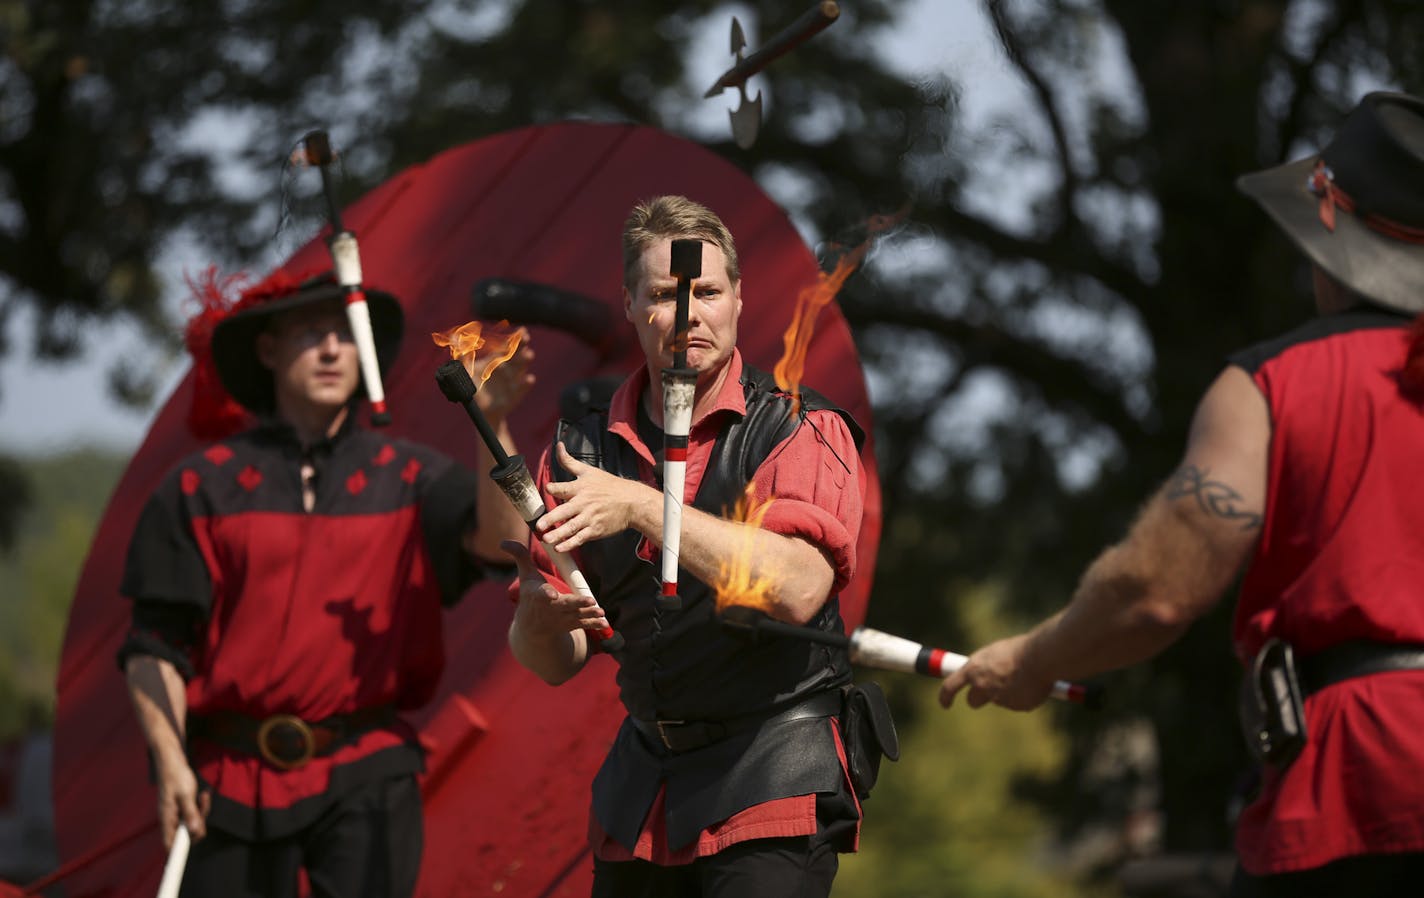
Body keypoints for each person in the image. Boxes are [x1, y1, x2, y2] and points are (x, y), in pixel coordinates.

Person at [938, 91, 1424, 897]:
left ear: (1332, 247)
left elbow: (1157, 590)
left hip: (1360, 787)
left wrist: (1032, 658)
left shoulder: (1274, 382)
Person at [118, 269, 534, 898]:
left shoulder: (412, 475)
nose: (333, 349)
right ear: (268, 350)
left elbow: (498, 543)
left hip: (366, 772)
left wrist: (492, 421)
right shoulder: (199, 487)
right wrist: (170, 764)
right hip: (226, 780)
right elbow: (154, 647)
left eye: (345, 334)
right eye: (313, 333)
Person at [502, 195, 869, 897]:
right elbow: (553, 662)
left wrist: (642, 506)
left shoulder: (800, 427)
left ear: (737, 300)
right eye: (664, 294)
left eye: (706, 292)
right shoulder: (579, 450)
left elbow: (796, 587)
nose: (687, 313)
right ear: (632, 306)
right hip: (644, 783)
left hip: (772, 769)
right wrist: (537, 622)